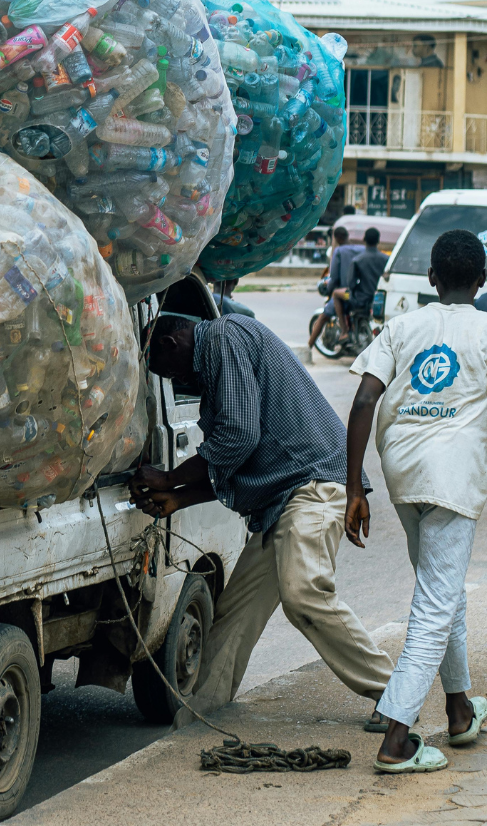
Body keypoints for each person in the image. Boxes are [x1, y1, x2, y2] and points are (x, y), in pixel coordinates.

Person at [131, 311, 393, 717]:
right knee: (236, 616)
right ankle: (201, 717)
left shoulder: (220, 338)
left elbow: (239, 435)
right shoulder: (223, 350)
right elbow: (246, 464)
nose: (173, 380)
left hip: (310, 489)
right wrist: (178, 497)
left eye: (165, 371)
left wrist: (169, 480)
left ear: (171, 344)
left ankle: (397, 695)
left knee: (304, 595)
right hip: (282, 501)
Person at [345, 229, 487, 773]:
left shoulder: (402, 326)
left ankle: (458, 710)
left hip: (402, 471)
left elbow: (363, 399)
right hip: (451, 479)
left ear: (431, 278)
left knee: (440, 590)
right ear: (482, 281)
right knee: (433, 607)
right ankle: (397, 738)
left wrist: (355, 487)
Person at [311, 225, 364, 349]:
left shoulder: (339, 251)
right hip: (363, 292)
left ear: (337, 238)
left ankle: (308, 346)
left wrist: (329, 289)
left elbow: (334, 279)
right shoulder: (361, 249)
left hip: (346, 294)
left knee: (324, 316)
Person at [347, 227, 388, 327]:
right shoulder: (386, 259)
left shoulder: (357, 260)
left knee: (339, 296)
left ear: (364, 239)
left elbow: (351, 283)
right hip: (381, 300)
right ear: (378, 240)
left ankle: (345, 331)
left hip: (362, 299)